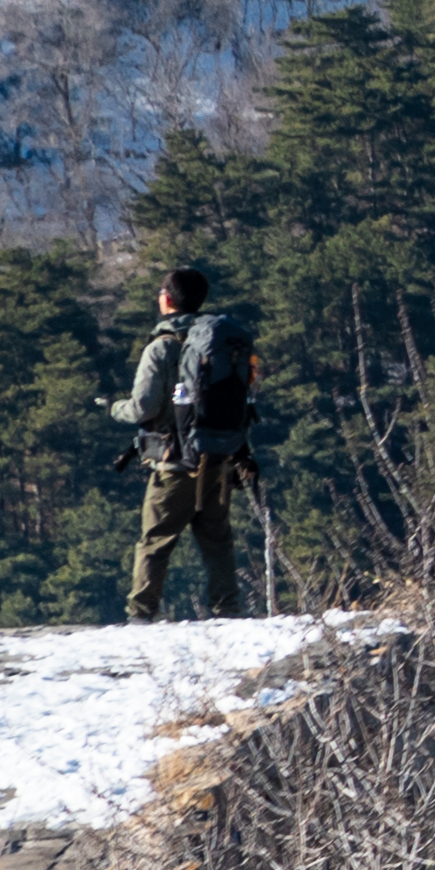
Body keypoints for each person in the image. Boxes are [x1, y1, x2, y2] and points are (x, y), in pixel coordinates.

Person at [109, 265, 262, 622]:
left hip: (173, 463)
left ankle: (141, 614)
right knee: (218, 541)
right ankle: (229, 610)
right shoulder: (219, 343)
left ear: (166, 300)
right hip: (218, 457)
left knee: (155, 541)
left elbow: (142, 407)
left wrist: (115, 409)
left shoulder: (162, 347)